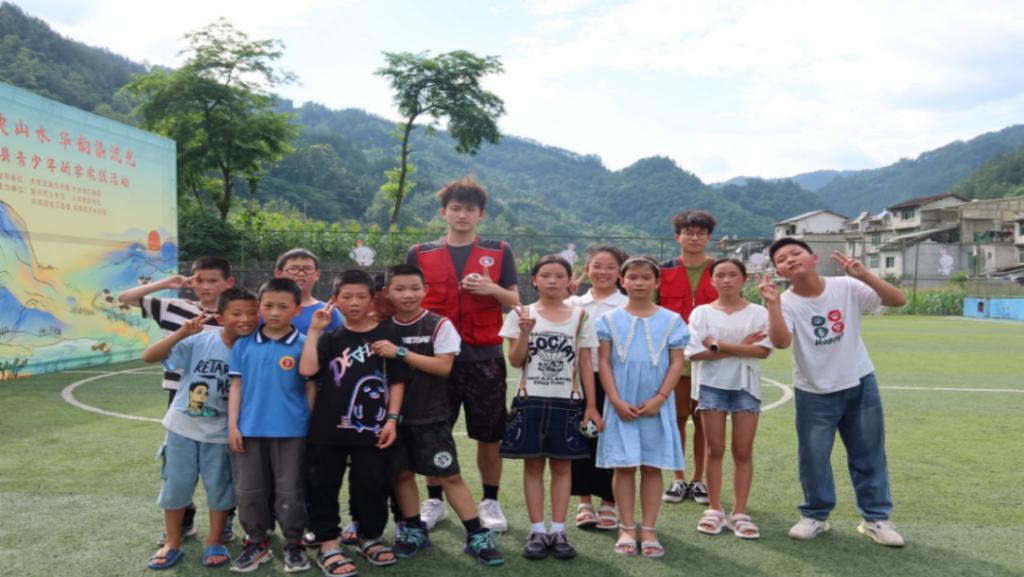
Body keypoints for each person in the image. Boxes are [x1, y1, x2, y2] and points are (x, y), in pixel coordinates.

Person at [758, 238, 907, 547]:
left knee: (869, 453)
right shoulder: (784, 301)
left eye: (796, 253)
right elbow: (782, 342)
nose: (790, 259)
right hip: (813, 390)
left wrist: (865, 275)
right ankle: (815, 515)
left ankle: (876, 519)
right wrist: (772, 304)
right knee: (814, 457)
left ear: (814, 258)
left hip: (859, 381)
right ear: (780, 272)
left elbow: (898, 300)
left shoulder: (846, 286)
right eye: (782, 259)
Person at [368, 264, 504, 566]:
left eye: (414, 288)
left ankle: (476, 534)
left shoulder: (439, 324)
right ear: (387, 292)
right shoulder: (382, 326)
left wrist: (400, 352)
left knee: (449, 474)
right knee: (402, 474)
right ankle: (414, 529)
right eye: (400, 289)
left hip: (431, 415)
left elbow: (443, 367)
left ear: (426, 290)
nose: (408, 295)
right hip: (391, 418)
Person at [407, 177, 520, 532]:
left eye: (470, 209)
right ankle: (435, 501)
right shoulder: (420, 253)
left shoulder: (499, 250)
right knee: (432, 428)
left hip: (484, 355)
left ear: (480, 214)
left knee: (490, 433)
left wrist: (491, 288)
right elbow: (407, 299)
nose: (462, 215)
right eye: (455, 208)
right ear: (444, 212)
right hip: (434, 358)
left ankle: (490, 501)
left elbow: (516, 301)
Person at [118, 256, 235, 544]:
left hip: (224, 396)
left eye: (213, 281)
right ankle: (183, 521)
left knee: (222, 464)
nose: (205, 286)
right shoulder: (175, 307)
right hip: (182, 395)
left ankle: (225, 521)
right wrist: (168, 283)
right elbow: (125, 298)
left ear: (227, 283)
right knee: (180, 463)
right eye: (199, 280)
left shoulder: (235, 315)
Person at [142, 288, 258, 570]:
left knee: (220, 490)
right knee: (176, 487)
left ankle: (215, 541)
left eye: (252, 313)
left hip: (222, 434)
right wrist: (181, 333)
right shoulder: (200, 340)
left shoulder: (256, 349)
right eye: (237, 313)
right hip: (182, 428)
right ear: (221, 317)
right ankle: (173, 542)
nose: (245, 319)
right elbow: (149, 356)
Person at [299, 270, 407, 575]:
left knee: (372, 484)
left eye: (361, 296)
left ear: (372, 299)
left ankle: (369, 537)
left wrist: (392, 420)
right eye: (346, 297)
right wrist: (315, 330)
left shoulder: (387, 335)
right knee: (323, 485)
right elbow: (307, 370)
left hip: (373, 428)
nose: (355, 302)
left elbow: (397, 381)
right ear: (335, 300)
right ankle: (328, 544)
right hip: (327, 429)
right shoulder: (330, 338)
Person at [500, 255, 603, 560]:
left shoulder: (581, 316)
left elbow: (586, 362)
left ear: (570, 281)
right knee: (533, 466)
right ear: (534, 280)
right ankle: (537, 530)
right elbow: (515, 360)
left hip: (567, 402)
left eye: (560, 275)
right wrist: (525, 332)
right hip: (530, 399)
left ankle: (558, 530)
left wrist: (591, 405)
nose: (553, 281)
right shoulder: (521, 313)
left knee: (562, 466)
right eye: (546, 275)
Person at [596, 256, 688, 559]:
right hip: (621, 403)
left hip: (656, 404)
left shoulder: (672, 320)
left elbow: (676, 363)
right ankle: (626, 527)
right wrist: (615, 400)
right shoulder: (608, 320)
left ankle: (648, 528)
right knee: (624, 466)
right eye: (632, 277)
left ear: (657, 282)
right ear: (622, 281)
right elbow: (604, 362)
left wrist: (660, 398)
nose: (638, 283)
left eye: (646, 277)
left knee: (651, 466)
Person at [227, 278, 315, 572]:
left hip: (292, 431)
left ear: (297, 310)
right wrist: (233, 426)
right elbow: (236, 386)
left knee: (291, 491)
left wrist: (309, 425)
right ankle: (256, 542)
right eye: (268, 306)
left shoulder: (305, 344)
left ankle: (294, 543)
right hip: (249, 431)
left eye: (283, 306)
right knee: (249, 490)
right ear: (260, 307)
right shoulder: (243, 344)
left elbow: (310, 388)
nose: (274, 312)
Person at [685, 258, 771, 539]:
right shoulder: (701, 313)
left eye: (733, 274)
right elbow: (694, 353)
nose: (726, 280)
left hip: (746, 386)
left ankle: (740, 512)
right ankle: (714, 509)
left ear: (743, 279)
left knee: (743, 450)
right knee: (715, 449)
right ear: (711, 280)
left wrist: (718, 345)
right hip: (711, 386)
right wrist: (741, 346)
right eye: (720, 275)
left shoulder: (758, 312)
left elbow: (762, 351)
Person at [565, 244, 628, 531]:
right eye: (597, 266)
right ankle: (584, 502)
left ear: (620, 273)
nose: (603, 272)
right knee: (581, 439)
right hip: (577, 380)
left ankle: (609, 502)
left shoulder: (627, 305)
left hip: (616, 381)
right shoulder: (574, 304)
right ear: (587, 269)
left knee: (612, 439)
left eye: (611, 267)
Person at [659, 211, 718, 505]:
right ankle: (678, 478)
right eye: (688, 232)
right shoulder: (663, 271)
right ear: (677, 236)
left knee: (704, 420)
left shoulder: (720, 269)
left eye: (700, 233)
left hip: (712, 359)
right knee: (676, 419)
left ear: (709, 238)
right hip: (674, 359)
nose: (694, 238)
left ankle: (699, 480)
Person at [275, 248, 343, 335]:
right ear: (278, 274)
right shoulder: (264, 310)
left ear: (317, 274)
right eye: (293, 268)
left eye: (308, 269)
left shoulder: (328, 312)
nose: (301, 273)